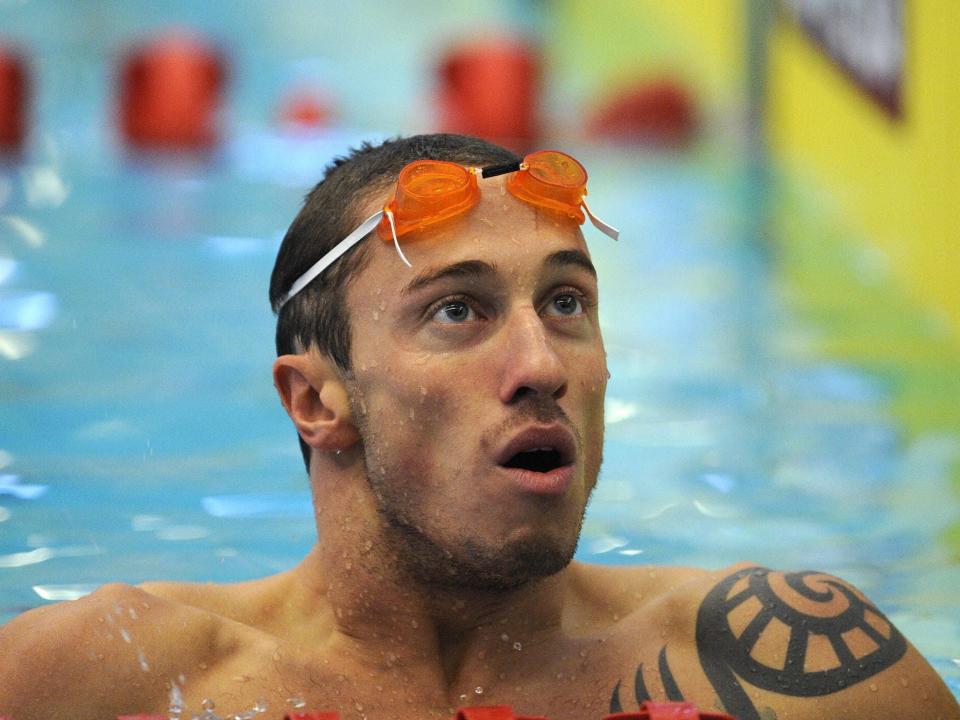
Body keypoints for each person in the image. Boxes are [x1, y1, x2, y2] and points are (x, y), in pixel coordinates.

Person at [0, 134, 956, 720]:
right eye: (457, 311)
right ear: (315, 400)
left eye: (568, 303)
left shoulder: (795, 670)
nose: (542, 365)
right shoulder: (96, 680)